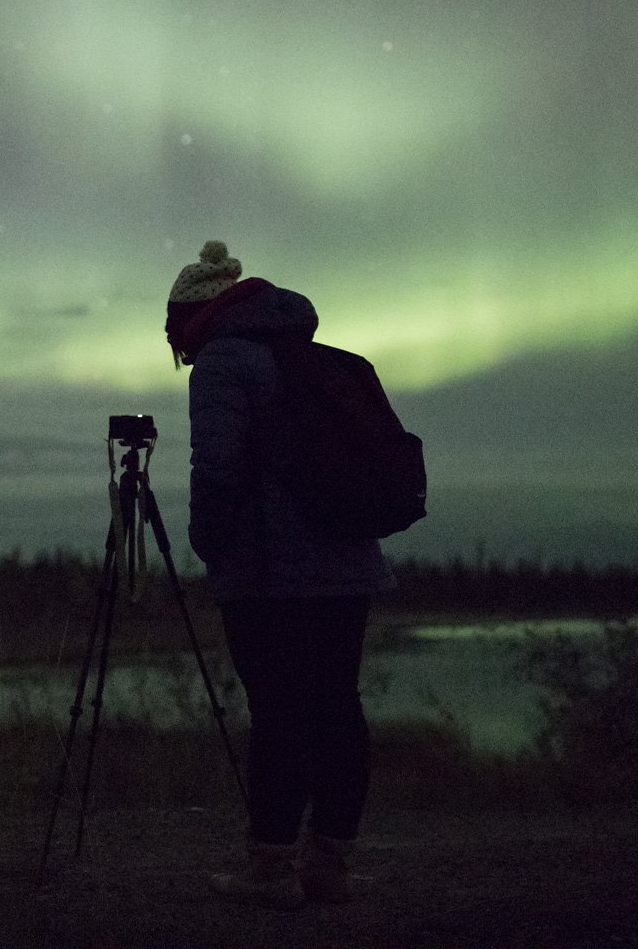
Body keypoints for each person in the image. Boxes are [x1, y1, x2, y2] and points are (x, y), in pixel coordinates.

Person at [165, 239, 395, 910]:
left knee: (279, 716)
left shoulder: (220, 365)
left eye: (173, 327)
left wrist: (210, 547)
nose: (174, 342)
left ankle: (269, 868)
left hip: (271, 576)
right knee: (338, 708)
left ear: (191, 317)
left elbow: (217, 471)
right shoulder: (309, 357)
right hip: (348, 566)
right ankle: (330, 864)